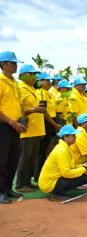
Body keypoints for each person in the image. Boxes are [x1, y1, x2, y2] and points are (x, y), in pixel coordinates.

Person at [0, 51, 27, 204]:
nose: (16, 65)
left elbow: (20, 104)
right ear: (3, 64)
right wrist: (11, 122)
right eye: (13, 63)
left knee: (13, 159)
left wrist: (22, 121)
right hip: (4, 126)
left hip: (16, 126)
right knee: (2, 160)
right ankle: (1, 191)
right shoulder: (0, 81)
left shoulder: (14, 83)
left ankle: (8, 188)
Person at [38, 125, 87, 201]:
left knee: (81, 173)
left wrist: (81, 166)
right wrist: (82, 170)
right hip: (49, 184)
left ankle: (58, 193)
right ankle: (58, 194)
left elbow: (70, 166)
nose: (75, 137)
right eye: (73, 135)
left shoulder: (65, 147)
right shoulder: (62, 150)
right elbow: (66, 173)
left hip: (50, 182)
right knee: (82, 175)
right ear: (65, 137)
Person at [16, 64, 46, 193]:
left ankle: (28, 182)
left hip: (36, 130)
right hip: (27, 130)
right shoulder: (20, 88)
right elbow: (19, 110)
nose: (33, 77)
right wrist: (33, 110)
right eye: (30, 73)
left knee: (32, 159)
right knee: (24, 158)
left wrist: (41, 130)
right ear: (22, 75)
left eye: (34, 74)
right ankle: (20, 184)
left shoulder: (32, 89)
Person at [34, 72, 62, 182]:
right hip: (47, 123)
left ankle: (41, 174)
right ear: (40, 82)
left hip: (51, 122)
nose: (49, 82)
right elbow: (44, 112)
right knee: (42, 151)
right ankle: (38, 176)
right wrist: (54, 124)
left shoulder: (46, 93)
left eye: (49, 80)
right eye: (46, 80)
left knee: (47, 149)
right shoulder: (40, 93)